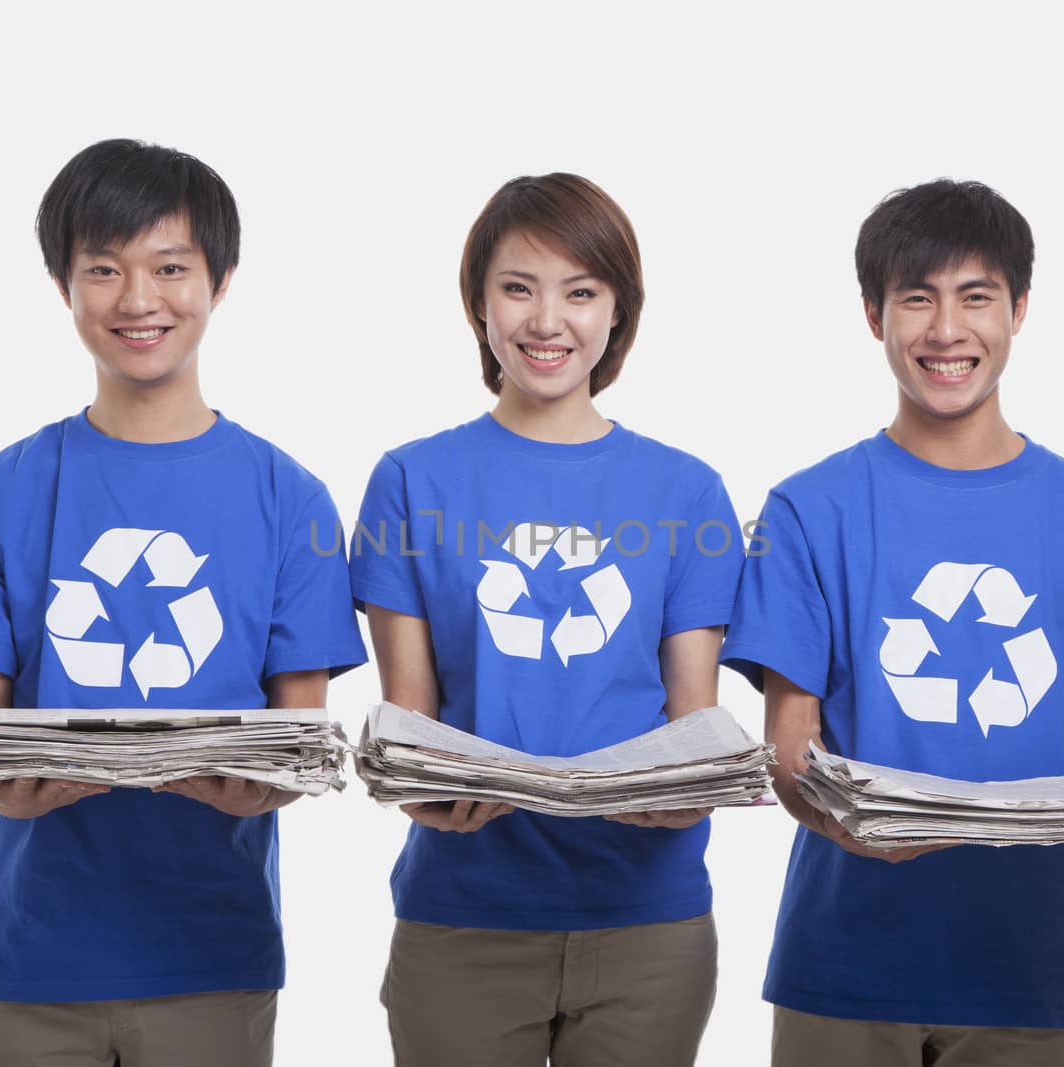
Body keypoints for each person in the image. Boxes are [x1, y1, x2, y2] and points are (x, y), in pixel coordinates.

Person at [0, 138, 366, 1067]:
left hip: (214, 955)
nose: (138, 299)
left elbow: (300, 737)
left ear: (221, 279)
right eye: (103, 269)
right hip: (31, 961)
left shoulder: (292, 499)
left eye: (170, 268)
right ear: (63, 283)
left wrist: (264, 781)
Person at [720, 179, 1064, 1067]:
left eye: (976, 297)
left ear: (1019, 309)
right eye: (917, 299)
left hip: (1024, 970)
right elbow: (789, 744)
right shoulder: (806, 510)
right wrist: (837, 818)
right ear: (873, 315)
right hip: (844, 964)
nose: (947, 331)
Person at [350, 173, 744, 1067]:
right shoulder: (412, 482)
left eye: (581, 291)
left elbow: (693, 713)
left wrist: (686, 795)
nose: (546, 320)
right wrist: (419, 787)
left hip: (649, 923)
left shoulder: (687, 492)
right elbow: (409, 713)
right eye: (518, 288)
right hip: (463, 913)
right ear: (478, 305)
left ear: (617, 313)